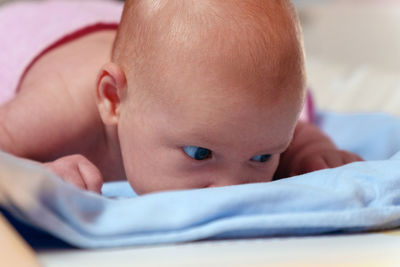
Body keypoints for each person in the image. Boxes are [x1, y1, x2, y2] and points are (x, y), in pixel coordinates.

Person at [0, 0, 362, 195]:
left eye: (261, 157)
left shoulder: (238, 119)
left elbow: (289, 130)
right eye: (199, 153)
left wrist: (311, 150)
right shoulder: (60, 108)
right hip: (38, 27)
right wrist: (32, 176)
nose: (231, 190)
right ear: (113, 100)